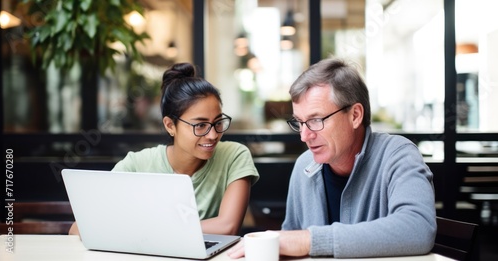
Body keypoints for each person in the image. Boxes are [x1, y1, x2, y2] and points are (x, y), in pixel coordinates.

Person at [228, 58, 436, 258]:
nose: (304, 136)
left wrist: (309, 241)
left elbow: (418, 228)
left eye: (316, 120)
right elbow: (289, 240)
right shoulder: (304, 165)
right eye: (299, 122)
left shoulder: (397, 155)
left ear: (355, 115)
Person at [69, 62, 259, 236]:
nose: (212, 135)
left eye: (218, 123)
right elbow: (78, 229)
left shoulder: (234, 156)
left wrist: (146, 229)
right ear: (170, 125)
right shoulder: (137, 164)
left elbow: (227, 227)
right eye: (200, 125)